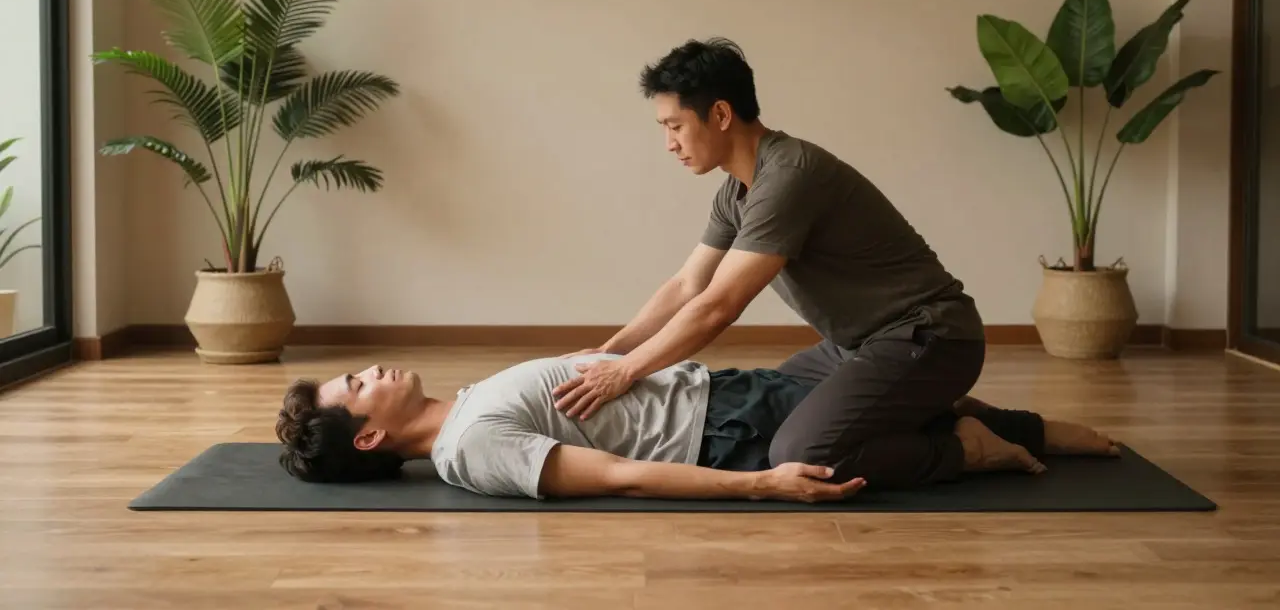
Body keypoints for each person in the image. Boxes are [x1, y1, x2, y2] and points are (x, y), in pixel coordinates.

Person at [550, 37, 1004, 491]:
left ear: (722, 115)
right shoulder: (736, 192)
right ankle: (944, 412)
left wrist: (626, 371)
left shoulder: (790, 176)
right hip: (855, 347)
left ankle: (965, 448)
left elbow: (717, 307)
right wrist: (613, 350)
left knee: (801, 453)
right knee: (764, 411)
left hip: (930, 336)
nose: (669, 143)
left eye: (675, 126)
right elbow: (688, 285)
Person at [274, 354, 1120, 501]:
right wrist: (763, 484)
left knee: (879, 368)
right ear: (370, 436)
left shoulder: (465, 403)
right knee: (894, 400)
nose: (372, 371)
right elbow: (612, 477)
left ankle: (1014, 428)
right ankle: (967, 452)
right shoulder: (469, 448)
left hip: (723, 390)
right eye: (358, 385)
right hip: (726, 435)